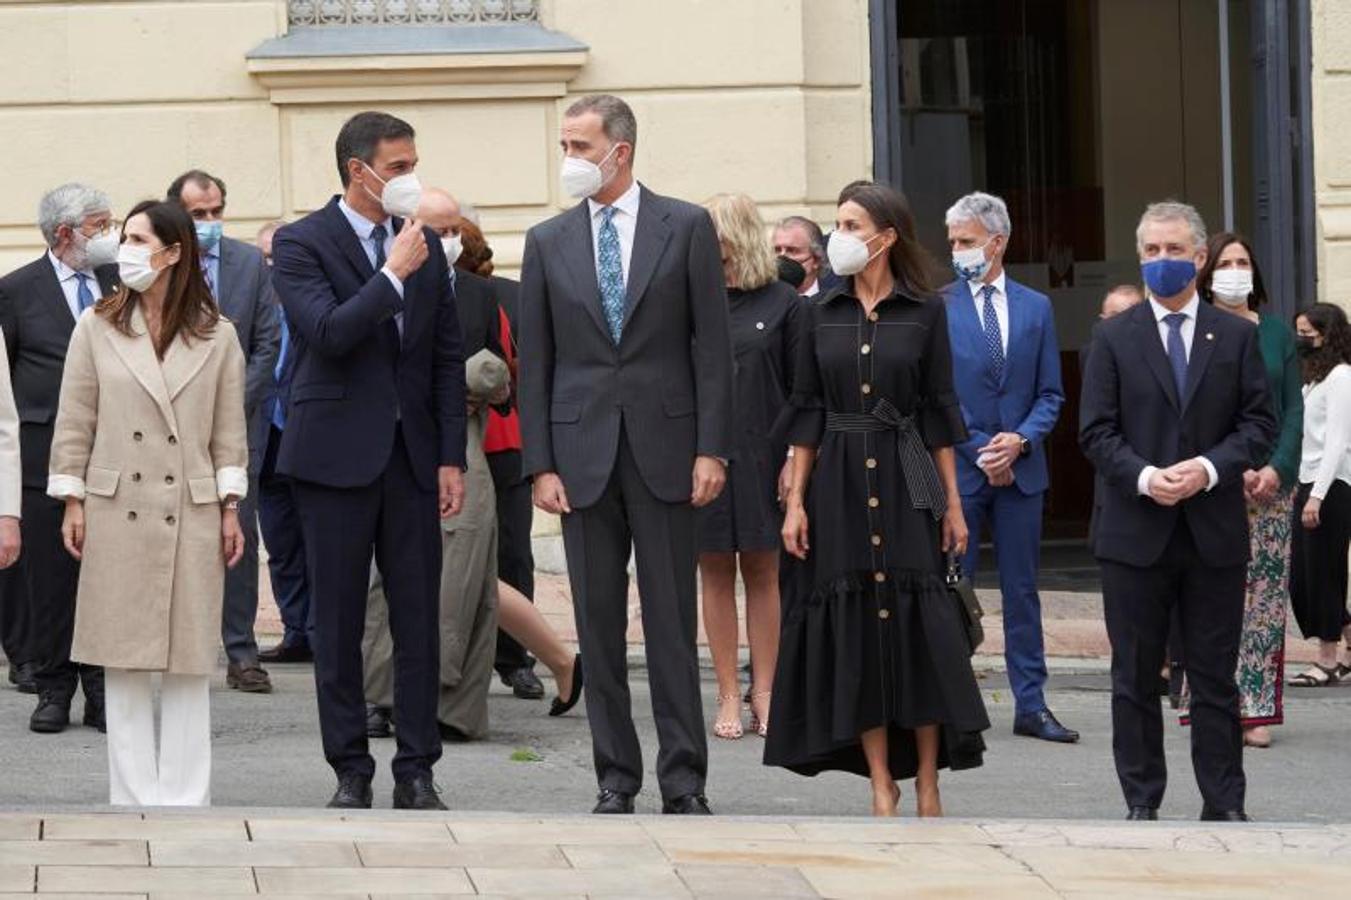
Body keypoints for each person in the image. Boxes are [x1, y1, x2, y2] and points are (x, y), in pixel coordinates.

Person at [518, 93, 734, 815]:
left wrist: (712, 449)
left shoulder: (686, 226)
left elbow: (713, 350)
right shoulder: (547, 240)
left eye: (579, 147)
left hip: (667, 447)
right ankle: (615, 776)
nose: (568, 159)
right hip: (579, 455)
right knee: (599, 625)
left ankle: (684, 779)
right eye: (563, 146)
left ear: (621, 151)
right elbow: (536, 362)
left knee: (670, 623)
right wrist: (540, 463)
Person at [767, 181, 987, 818]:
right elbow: (807, 411)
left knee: (920, 631)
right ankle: (879, 781)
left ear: (885, 237)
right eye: (836, 223)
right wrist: (796, 501)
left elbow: (939, 411)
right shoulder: (818, 313)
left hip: (906, 476)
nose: (838, 236)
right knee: (855, 630)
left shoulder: (926, 311)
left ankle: (927, 779)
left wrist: (952, 504)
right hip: (837, 480)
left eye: (851, 225)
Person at [270, 111, 467, 811]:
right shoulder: (301, 242)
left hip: (412, 459)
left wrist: (450, 456)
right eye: (398, 168)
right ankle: (349, 768)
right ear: (359, 171)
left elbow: (445, 356)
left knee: (418, 621)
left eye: (413, 164)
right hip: (332, 459)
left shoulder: (422, 243)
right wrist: (390, 274)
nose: (410, 178)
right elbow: (328, 332)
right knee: (338, 621)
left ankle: (417, 769)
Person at [1080, 201, 1276, 822]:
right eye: (1151, 251)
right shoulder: (1114, 337)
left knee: (1215, 679)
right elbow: (1096, 432)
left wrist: (1209, 469)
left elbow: (1259, 425)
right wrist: (1145, 477)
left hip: (1212, 533)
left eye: (1173, 250)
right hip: (1134, 533)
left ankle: (1224, 803)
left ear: (1199, 257)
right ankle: (1142, 801)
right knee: (1134, 678)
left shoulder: (1236, 336)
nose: (1161, 260)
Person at [48, 200, 249, 805]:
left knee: (189, 661)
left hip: (192, 507)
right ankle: (133, 797)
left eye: (138, 240)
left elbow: (228, 432)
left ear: (173, 252)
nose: (125, 250)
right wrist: (72, 499)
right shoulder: (96, 325)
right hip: (117, 508)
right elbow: (75, 419)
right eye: (124, 238)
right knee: (123, 656)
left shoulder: (218, 334)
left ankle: (186, 799)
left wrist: (231, 506)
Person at [363, 188, 504, 742]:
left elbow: (503, 370)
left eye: (452, 232)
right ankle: (381, 695)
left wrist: (480, 384)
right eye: (434, 230)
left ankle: (453, 706)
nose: (444, 241)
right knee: (387, 581)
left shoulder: (480, 293)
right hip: (392, 439)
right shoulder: (380, 279)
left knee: (465, 577)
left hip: (460, 445)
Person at [943, 192, 1074, 744]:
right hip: (963, 473)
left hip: (1022, 472)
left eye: (966, 241)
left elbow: (1051, 393)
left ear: (997, 243)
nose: (957, 251)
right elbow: (938, 396)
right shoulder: (938, 306)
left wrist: (1018, 441)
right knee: (955, 588)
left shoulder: (1035, 307)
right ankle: (953, 707)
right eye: (953, 241)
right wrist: (983, 448)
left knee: (1022, 592)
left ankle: (1032, 705)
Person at [0, 183, 120, 728]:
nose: (109, 235)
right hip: (43, 459)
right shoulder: (16, 291)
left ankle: (101, 687)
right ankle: (53, 688)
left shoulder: (121, 282)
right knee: (50, 582)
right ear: (65, 233)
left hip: (113, 456)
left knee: (105, 580)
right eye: (99, 225)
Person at [1176, 234, 1301, 750]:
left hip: (1270, 489)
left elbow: (1292, 411)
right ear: (1208, 276)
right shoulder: (1195, 330)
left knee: (1264, 604)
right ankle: (1209, 702)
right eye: (1225, 262)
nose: (1234, 270)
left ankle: (1254, 708)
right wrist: (1229, 468)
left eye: (1242, 261)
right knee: (1211, 598)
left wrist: (1276, 468)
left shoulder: (1276, 334)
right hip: (1214, 485)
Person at [168, 169, 281, 696]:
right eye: (198, 214)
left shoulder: (249, 263)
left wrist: (230, 404)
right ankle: (175, 648)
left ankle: (242, 652)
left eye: (217, 211)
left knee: (238, 536)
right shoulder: (159, 262)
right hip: (171, 426)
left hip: (239, 423)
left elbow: (268, 343)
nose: (210, 222)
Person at [697, 193, 801, 740]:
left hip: (766, 452)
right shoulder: (693, 299)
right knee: (714, 571)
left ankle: (766, 690)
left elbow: (802, 388)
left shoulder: (782, 300)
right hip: (706, 454)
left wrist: (794, 461)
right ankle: (726, 693)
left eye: (711, 231)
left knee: (764, 571)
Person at [1288, 304, 1351, 687]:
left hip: (1333, 486)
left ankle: (1327, 660)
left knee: (1324, 574)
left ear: (1328, 335)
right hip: (1309, 482)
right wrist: (1301, 483)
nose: (1301, 340)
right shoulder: (1315, 379)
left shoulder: (1341, 376)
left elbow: (1337, 443)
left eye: (1307, 333)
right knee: (1302, 578)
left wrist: (1318, 496)